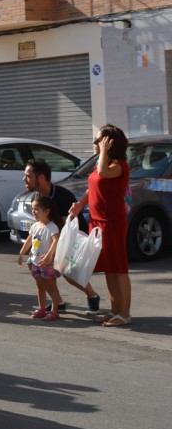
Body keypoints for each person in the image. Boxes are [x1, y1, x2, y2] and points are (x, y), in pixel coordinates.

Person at [69, 124, 132, 327]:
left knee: (119, 269)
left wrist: (103, 151)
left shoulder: (119, 165)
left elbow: (104, 173)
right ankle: (115, 310)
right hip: (97, 222)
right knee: (109, 268)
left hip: (112, 222)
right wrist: (80, 204)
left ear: (109, 143)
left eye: (98, 140)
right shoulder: (102, 163)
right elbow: (93, 185)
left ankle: (124, 313)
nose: (95, 143)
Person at [22, 159, 100, 313]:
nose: (24, 179)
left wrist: (54, 251)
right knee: (40, 269)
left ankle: (92, 296)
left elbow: (71, 227)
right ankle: (58, 302)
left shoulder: (63, 196)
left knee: (68, 272)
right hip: (50, 240)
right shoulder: (36, 198)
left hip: (70, 238)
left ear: (41, 178)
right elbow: (39, 225)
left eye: (28, 176)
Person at [17, 196, 62, 321]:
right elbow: (29, 240)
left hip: (47, 263)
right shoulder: (35, 225)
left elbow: (56, 241)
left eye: (36, 209)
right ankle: (42, 308)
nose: (33, 212)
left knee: (51, 286)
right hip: (35, 261)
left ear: (46, 211)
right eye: (33, 209)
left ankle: (54, 311)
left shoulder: (52, 227)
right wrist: (22, 253)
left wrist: (49, 255)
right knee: (40, 286)